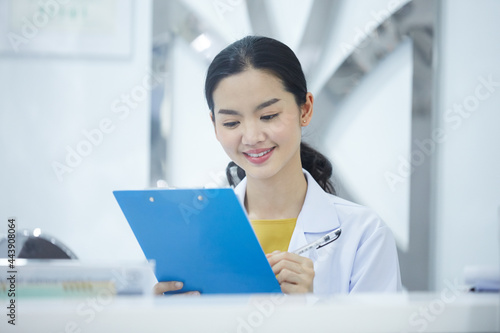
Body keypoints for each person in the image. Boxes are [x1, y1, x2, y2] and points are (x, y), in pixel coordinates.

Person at [154, 35, 401, 295]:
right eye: (231, 123)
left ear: (305, 109)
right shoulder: (195, 234)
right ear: (214, 125)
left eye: (269, 116)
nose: (251, 137)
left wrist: (311, 309)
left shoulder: (364, 234)